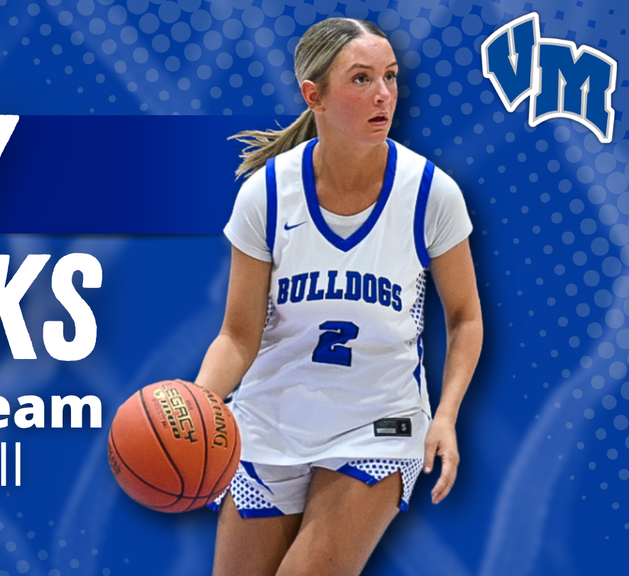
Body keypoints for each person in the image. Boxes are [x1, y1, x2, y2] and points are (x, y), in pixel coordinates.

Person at [194, 17, 483, 576]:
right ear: (314, 96)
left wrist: (446, 415)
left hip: (377, 425)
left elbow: (465, 317)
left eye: (390, 76)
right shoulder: (267, 195)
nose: (384, 94)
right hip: (270, 422)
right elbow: (238, 336)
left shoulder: (430, 194)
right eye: (361, 78)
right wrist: (197, 407)